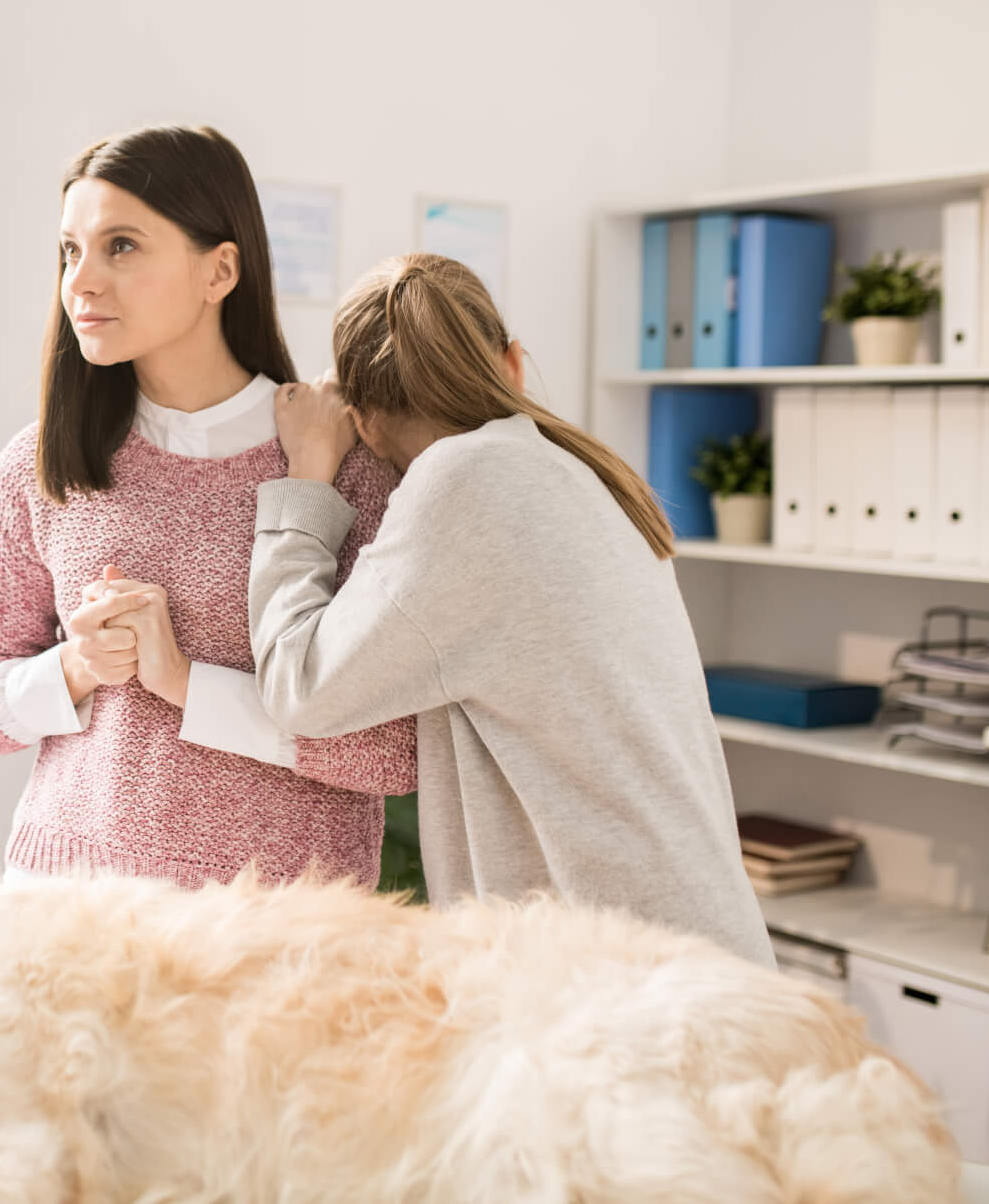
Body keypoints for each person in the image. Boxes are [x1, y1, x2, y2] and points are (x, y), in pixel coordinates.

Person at [247, 253, 772, 964]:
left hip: (629, 977)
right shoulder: (575, 472)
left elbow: (298, 686)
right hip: (692, 945)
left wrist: (308, 471)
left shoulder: (466, 484)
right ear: (513, 364)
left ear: (363, 424)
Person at [0, 124, 416, 889]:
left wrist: (185, 682)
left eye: (121, 246)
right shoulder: (40, 466)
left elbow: (392, 747)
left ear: (220, 269)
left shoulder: (343, 468)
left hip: (285, 929)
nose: (81, 282)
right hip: (70, 910)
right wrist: (76, 665)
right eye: (71, 250)